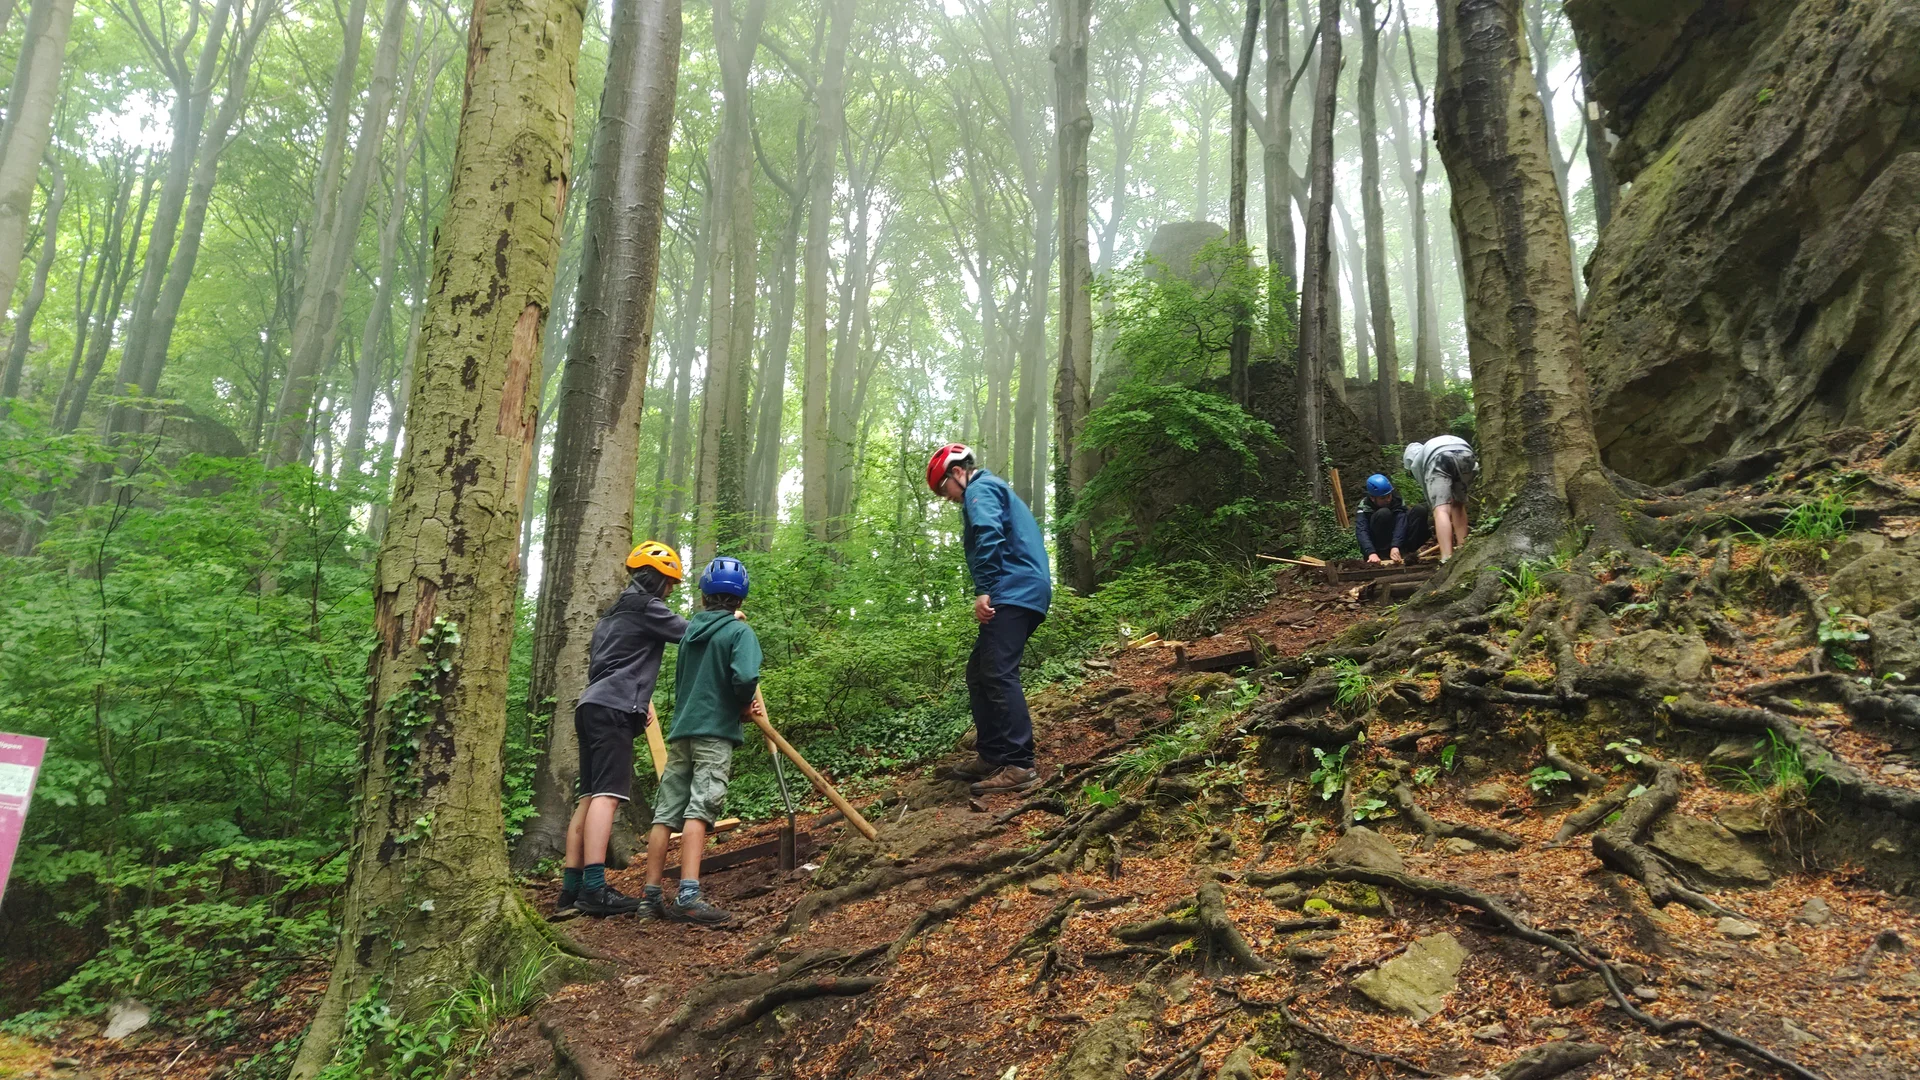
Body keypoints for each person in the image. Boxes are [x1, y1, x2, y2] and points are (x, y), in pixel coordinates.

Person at [559, 541, 689, 918]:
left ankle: (571, 889)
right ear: (656, 578)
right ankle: (594, 889)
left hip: (591, 705)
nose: (670, 591)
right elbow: (692, 633)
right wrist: (729, 621)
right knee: (607, 796)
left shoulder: (611, 613)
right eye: (669, 582)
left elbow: (612, 663)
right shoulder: (648, 607)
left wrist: (638, 699)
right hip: (613, 708)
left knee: (589, 797)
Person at [641, 556, 764, 925]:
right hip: (714, 732)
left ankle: (650, 897)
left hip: (682, 732)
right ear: (740, 598)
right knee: (700, 808)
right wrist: (743, 704)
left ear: (704, 596)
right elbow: (745, 677)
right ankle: (689, 896)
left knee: (666, 813)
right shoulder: (739, 633)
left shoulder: (690, 633)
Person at [927, 443, 1052, 795]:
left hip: (1013, 589)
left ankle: (1020, 765)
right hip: (1023, 588)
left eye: (944, 489)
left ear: (957, 473)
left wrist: (984, 588)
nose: (947, 498)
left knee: (997, 672)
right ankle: (993, 753)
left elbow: (989, 534)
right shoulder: (993, 488)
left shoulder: (979, 489)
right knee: (980, 670)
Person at [1403, 435, 1479, 562]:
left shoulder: (1416, 463)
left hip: (1439, 458)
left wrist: (1437, 511)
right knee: (1458, 505)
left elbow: (1429, 494)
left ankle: (1446, 557)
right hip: (1466, 454)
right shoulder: (1429, 447)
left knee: (1441, 509)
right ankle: (1463, 550)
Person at [1355, 473, 1430, 564]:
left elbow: (1401, 523)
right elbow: (1362, 531)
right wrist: (1371, 552)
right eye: (1383, 498)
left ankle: (1407, 551)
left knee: (1419, 510)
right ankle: (1383, 554)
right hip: (1378, 544)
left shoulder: (1396, 500)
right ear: (1372, 498)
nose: (1388, 499)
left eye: (1389, 495)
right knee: (1384, 513)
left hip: (1399, 541)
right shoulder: (1364, 507)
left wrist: (1395, 546)